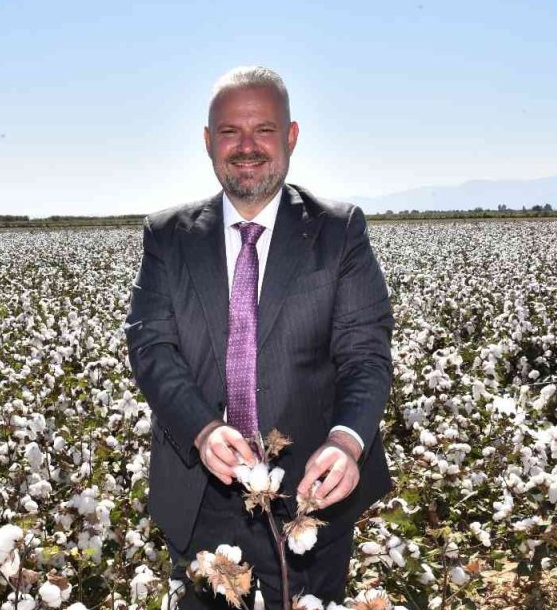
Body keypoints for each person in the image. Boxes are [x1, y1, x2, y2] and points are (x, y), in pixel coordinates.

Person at [125, 66, 393, 608]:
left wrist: (346, 443)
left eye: (264, 130)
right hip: (200, 496)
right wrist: (203, 429)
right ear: (208, 141)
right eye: (230, 132)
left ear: (291, 136)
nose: (246, 147)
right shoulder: (167, 236)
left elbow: (365, 354)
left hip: (310, 500)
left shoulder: (338, 230)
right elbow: (151, 347)